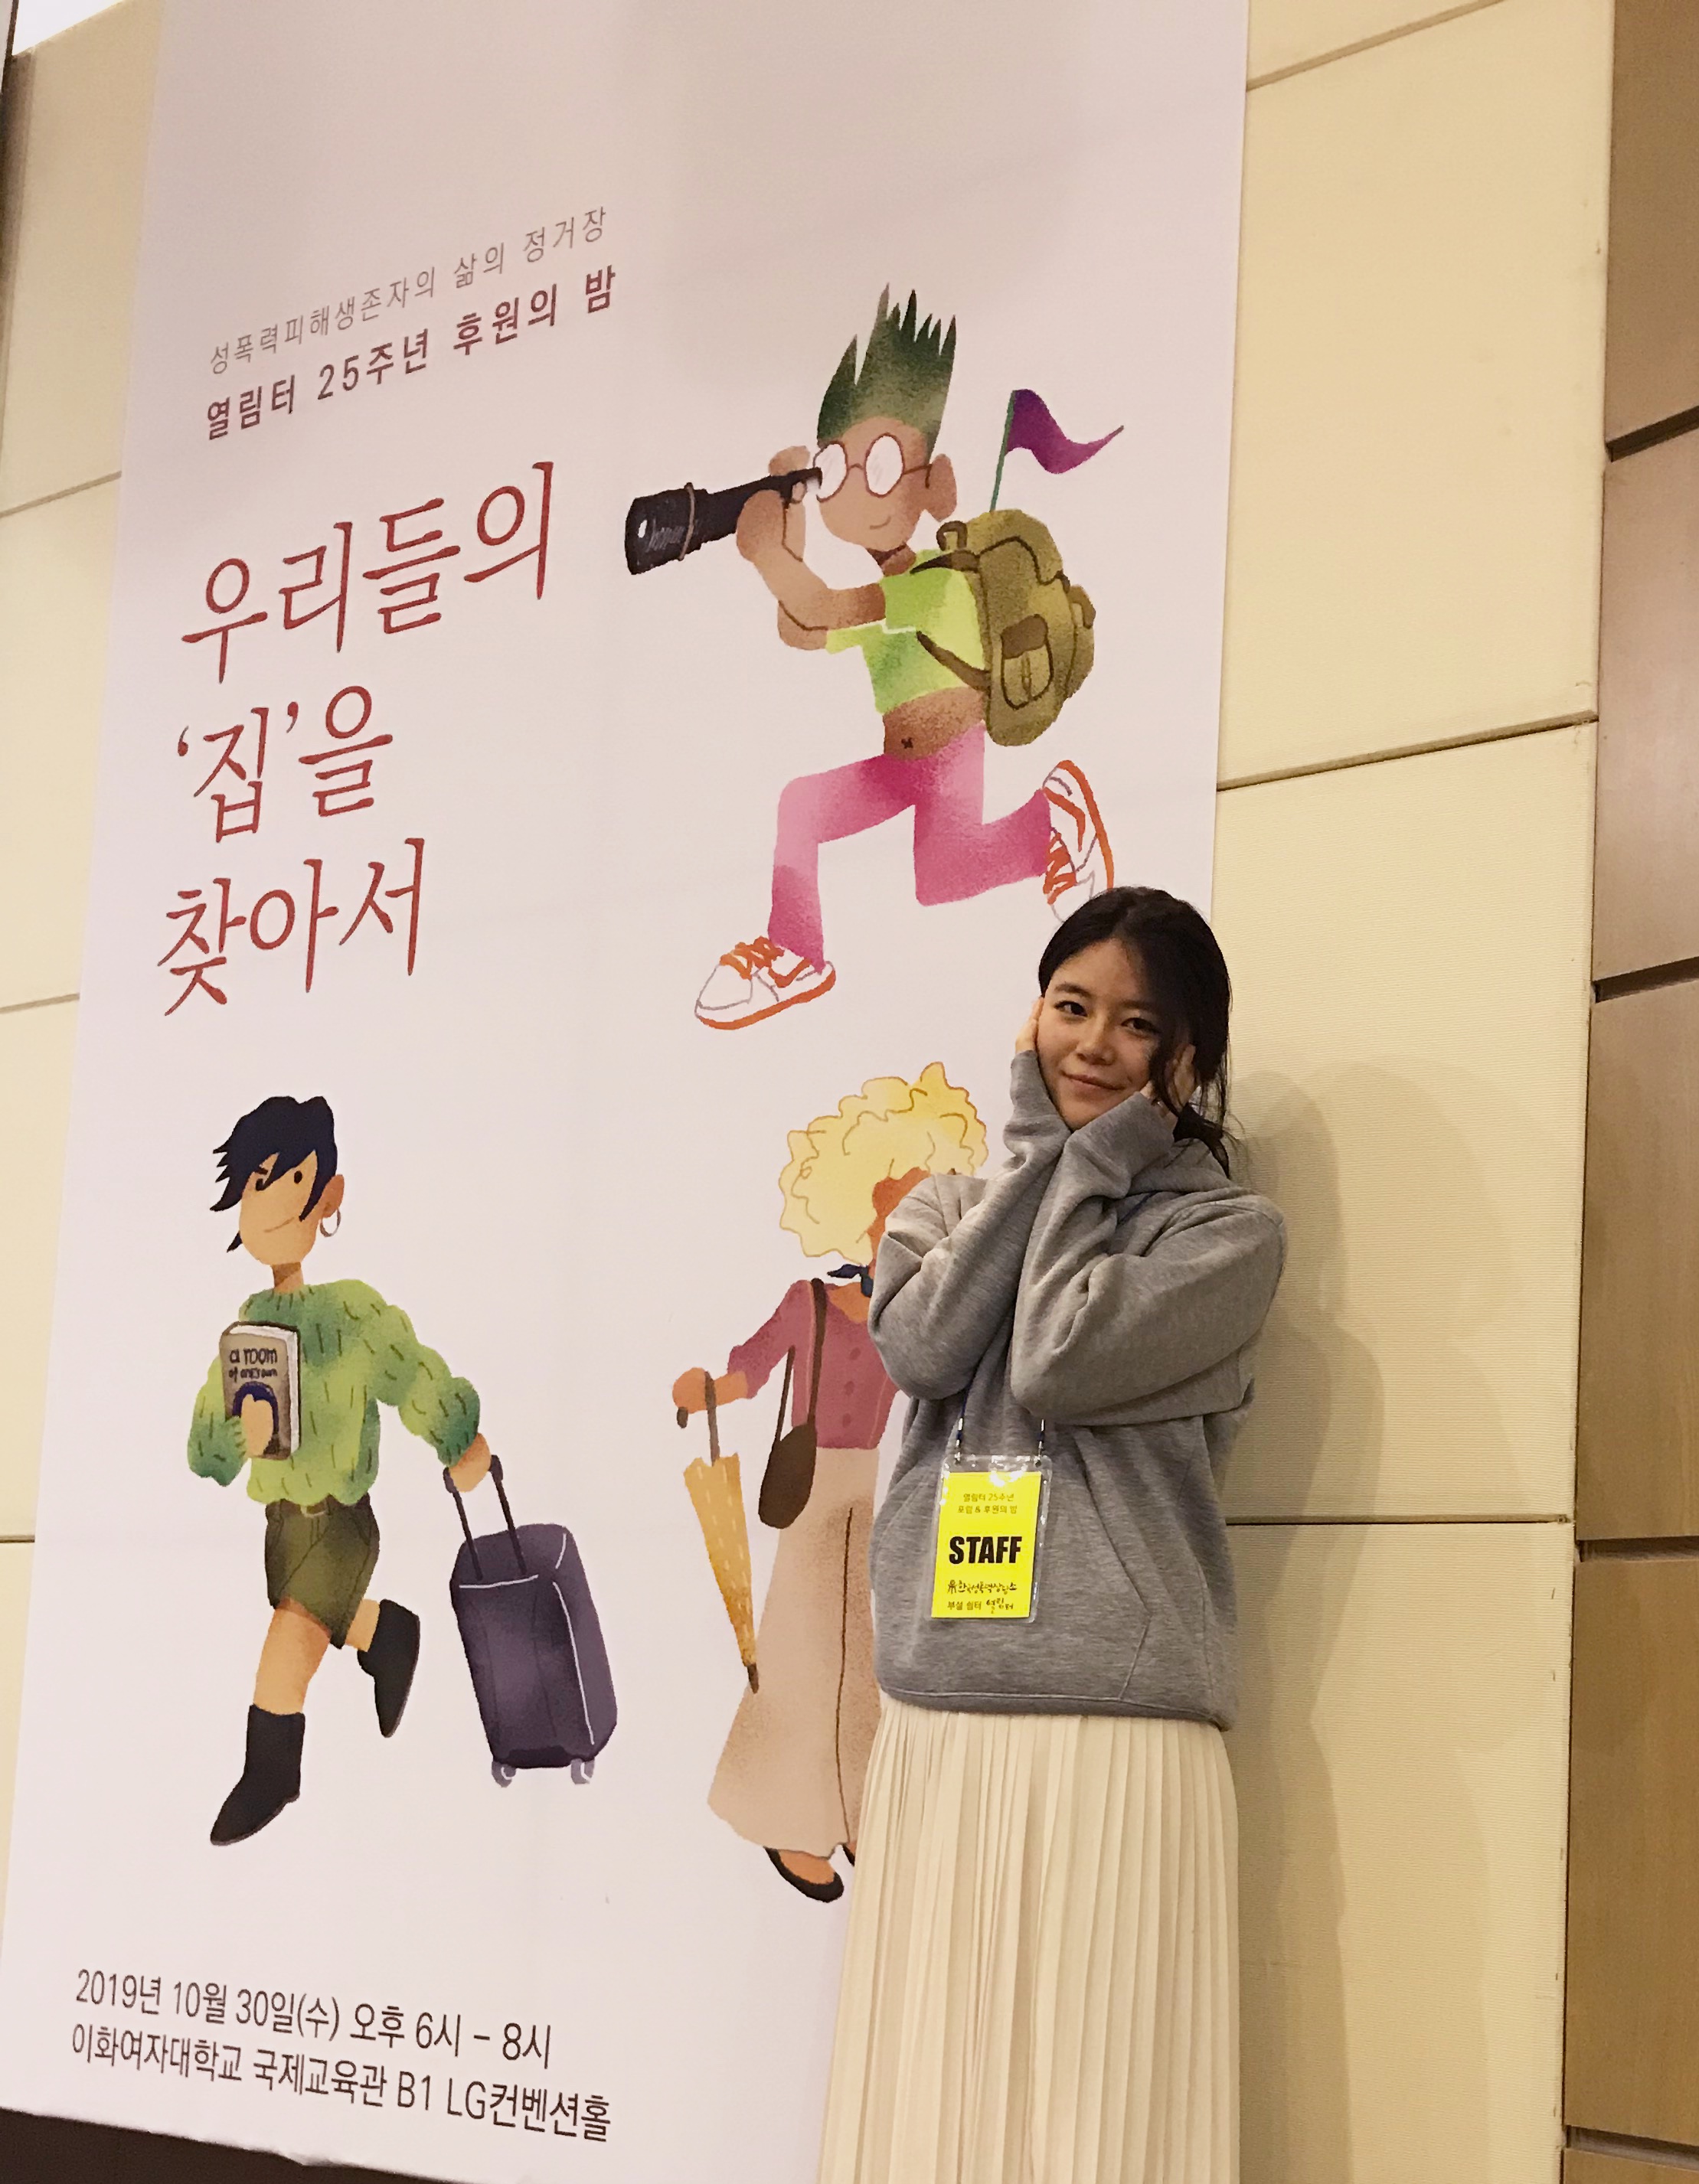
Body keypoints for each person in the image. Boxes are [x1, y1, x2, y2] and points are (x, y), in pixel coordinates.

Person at [818, 887, 1286, 2184]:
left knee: (1092, 2118)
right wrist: (1038, 1161)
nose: (1092, 1043)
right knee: (935, 2111)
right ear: (1031, 1019)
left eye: (1136, 1023)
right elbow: (921, 1347)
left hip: (1113, 1725)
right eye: (1070, 1006)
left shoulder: (1224, 1235)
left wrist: (1092, 1167)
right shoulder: (941, 1209)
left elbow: (1058, 1356)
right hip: (943, 1713)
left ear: (1185, 1057)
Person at [694, 289, 1116, 1032]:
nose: (853, 489)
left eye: (882, 463)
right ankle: (796, 950)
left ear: (936, 485)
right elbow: (803, 628)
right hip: (901, 763)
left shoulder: (934, 584)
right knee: (814, 813)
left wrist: (768, 551)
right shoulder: (887, 597)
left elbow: (822, 606)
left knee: (941, 874)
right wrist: (786, 522)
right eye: (834, 470)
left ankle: (1053, 817)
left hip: (950, 756)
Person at [669, 1063, 988, 1900]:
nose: (908, 1227)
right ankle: (789, 1820)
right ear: (860, 1211)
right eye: (895, 1207)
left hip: (876, 1491)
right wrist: (706, 1390)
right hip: (813, 1491)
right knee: (803, 1657)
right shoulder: (810, 1302)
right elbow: (749, 1368)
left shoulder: (921, 1317)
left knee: (864, 1660)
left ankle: (856, 1811)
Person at [186, 1095, 494, 1846]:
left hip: (340, 1523)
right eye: (254, 1184)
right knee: (319, 1617)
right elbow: (207, 1448)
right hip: (283, 1526)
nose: (266, 1204)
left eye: (288, 1180)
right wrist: (237, 1435)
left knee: (286, 1651)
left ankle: (271, 1776)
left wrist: (458, 1438)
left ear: (328, 1196)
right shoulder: (248, 1330)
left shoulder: (350, 1314)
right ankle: (386, 1633)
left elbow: (410, 1373)